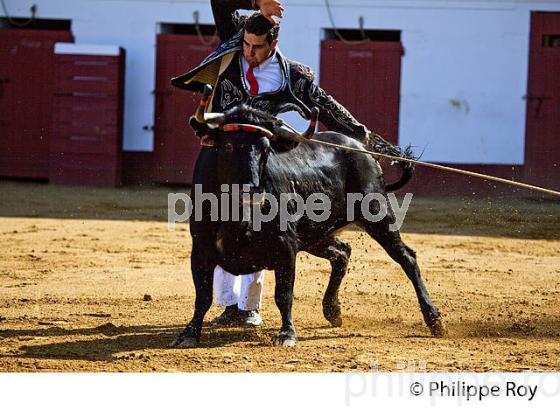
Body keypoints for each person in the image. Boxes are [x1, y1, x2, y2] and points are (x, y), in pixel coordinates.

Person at [171, 0, 377, 327]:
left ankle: (248, 307)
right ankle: (228, 306)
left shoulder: (289, 75)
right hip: (220, 148)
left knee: (258, 221)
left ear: (273, 44)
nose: (249, 52)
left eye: (257, 47)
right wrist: (256, 1)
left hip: (257, 153)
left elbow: (323, 104)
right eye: (247, 45)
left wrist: (357, 131)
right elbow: (220, 2)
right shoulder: (234, 42)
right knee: (212, 221)